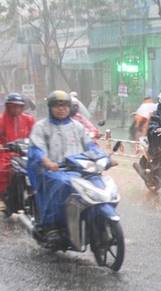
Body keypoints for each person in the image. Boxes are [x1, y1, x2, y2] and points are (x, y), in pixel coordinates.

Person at [27, 90, 117, 237]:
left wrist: (105, 158)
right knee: (63, 184)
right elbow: (37, 149)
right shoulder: (41, 127)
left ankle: (90, 215)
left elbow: (91, 146)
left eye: (64, 106)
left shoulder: (78, 126)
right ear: (50, 108)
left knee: (99, 182)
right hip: (54, 171)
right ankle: (53, 224)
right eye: (57, 105)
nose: (61, 109)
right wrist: (48, 161)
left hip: (80, 169)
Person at [0, 93, 36, 211]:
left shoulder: (29, 120)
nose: (16, 109)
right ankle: (3, 196)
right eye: (13, 106)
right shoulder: (1, 120)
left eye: (19, 106)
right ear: (8, 107)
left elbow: (37, 136)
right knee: (3, 168)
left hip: (25, 152)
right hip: (6, 153)